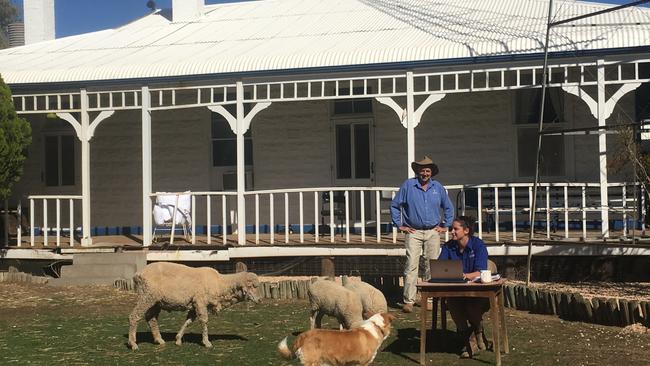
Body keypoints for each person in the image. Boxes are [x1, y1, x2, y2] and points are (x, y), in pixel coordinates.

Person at [391, 156, 454, 313]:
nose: (424, 173)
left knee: (431, 265)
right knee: (411, 265)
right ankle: (409, 301)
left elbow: (448, 207)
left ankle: (429, 299)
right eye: (422, 170)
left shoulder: (437, 187)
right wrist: (400, 225)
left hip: (433, 231)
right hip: (413, 231)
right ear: (417, 171)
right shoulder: (408, 186)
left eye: (427, 170)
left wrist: (445, 225)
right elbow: (395, 205)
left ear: (431, 172)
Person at [438, 216, 490, 358]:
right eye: (451, 229)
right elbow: (441, 267)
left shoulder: (478, 245)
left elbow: (481, 271)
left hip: (477, 291)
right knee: (453, 304)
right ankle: (469, 339)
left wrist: (465, 276)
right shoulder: (448, 246)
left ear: (466, 230)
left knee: (471, 307)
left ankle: (476, 334)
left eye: (455, 229)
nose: (452, 232)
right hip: (456, 290)